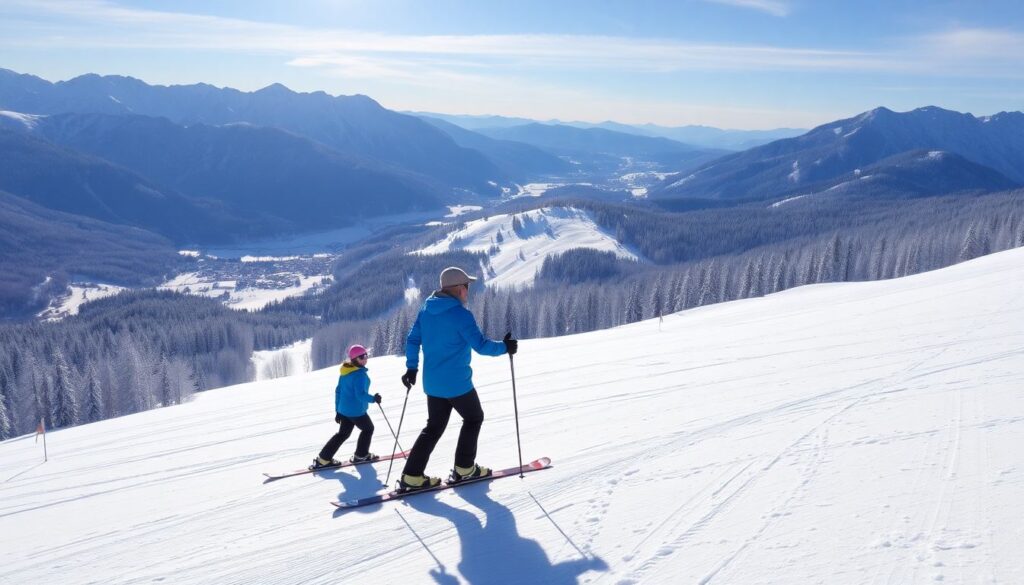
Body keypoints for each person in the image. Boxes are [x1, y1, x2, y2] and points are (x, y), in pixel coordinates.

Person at [398, 266, 518, 491]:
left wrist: (411, 368)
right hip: (457, 383)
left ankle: (412, 476)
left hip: (433, 384)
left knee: (433, 428)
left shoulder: (426, 309)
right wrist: (505, 347)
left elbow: (413, 340)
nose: (468, 290)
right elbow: (481, 346)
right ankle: (464, 469)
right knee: (474, 418)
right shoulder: (461, 315)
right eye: (466, 286)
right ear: (457, 289)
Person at [311, 344, 382, 470]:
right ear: (354, 359)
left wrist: (338, 410)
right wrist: (373, 399)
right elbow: (360, 395)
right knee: (368, 429)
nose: (365, 358)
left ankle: (323, 459)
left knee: (342, 434)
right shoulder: (359, 375)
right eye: (362, 357)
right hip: (356, 411)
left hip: (344, 410)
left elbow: (338, 391)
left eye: (366, 355)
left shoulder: (345, 371)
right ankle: (361, 455)